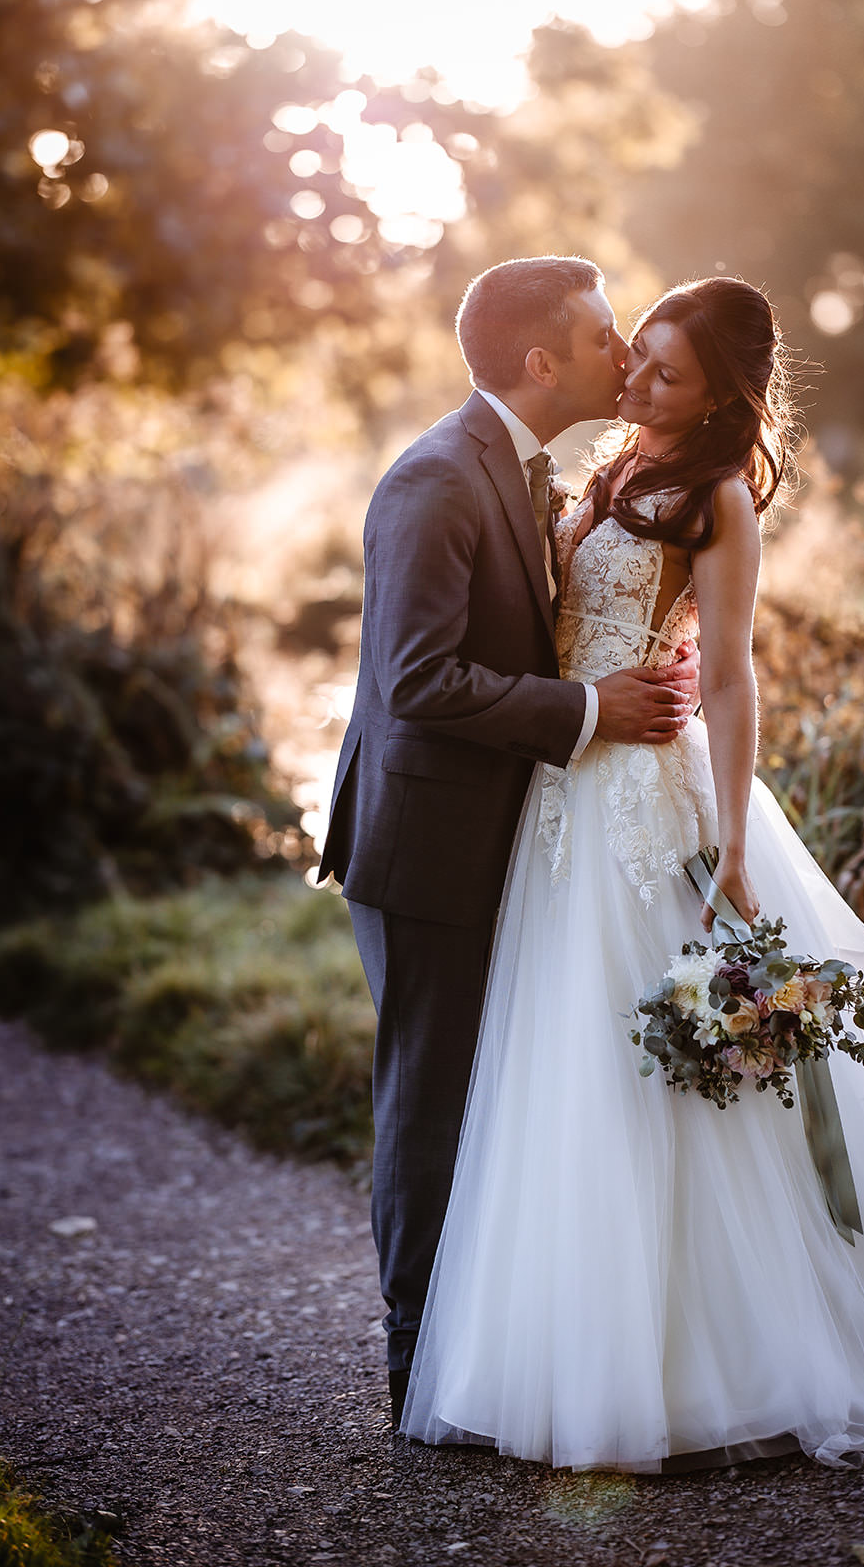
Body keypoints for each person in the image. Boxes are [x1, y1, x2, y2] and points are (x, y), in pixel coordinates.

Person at [400, 277, 864, 1471]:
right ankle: (559, 1347)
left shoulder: (718, 495)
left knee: (664, 1070)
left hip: (651, 799)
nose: (634, 379)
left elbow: (730, 675)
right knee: (562, 1059)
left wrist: (731, 842)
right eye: (634, 356)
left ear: (720, 397)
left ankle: (707, 1364)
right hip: (565, 791)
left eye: (665, 373)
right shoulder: (609, 464)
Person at [317, 257, 702, 1427]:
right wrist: (593, 712)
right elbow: (418, 679)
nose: (623, 357)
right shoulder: (434, 480)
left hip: (508, 833)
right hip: (425, 840)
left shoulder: (528, 472)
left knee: (494, 1092)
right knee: (433, 1099)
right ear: (542, 363)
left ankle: (481, 1345)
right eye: (600, 337)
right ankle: (413, 1369)